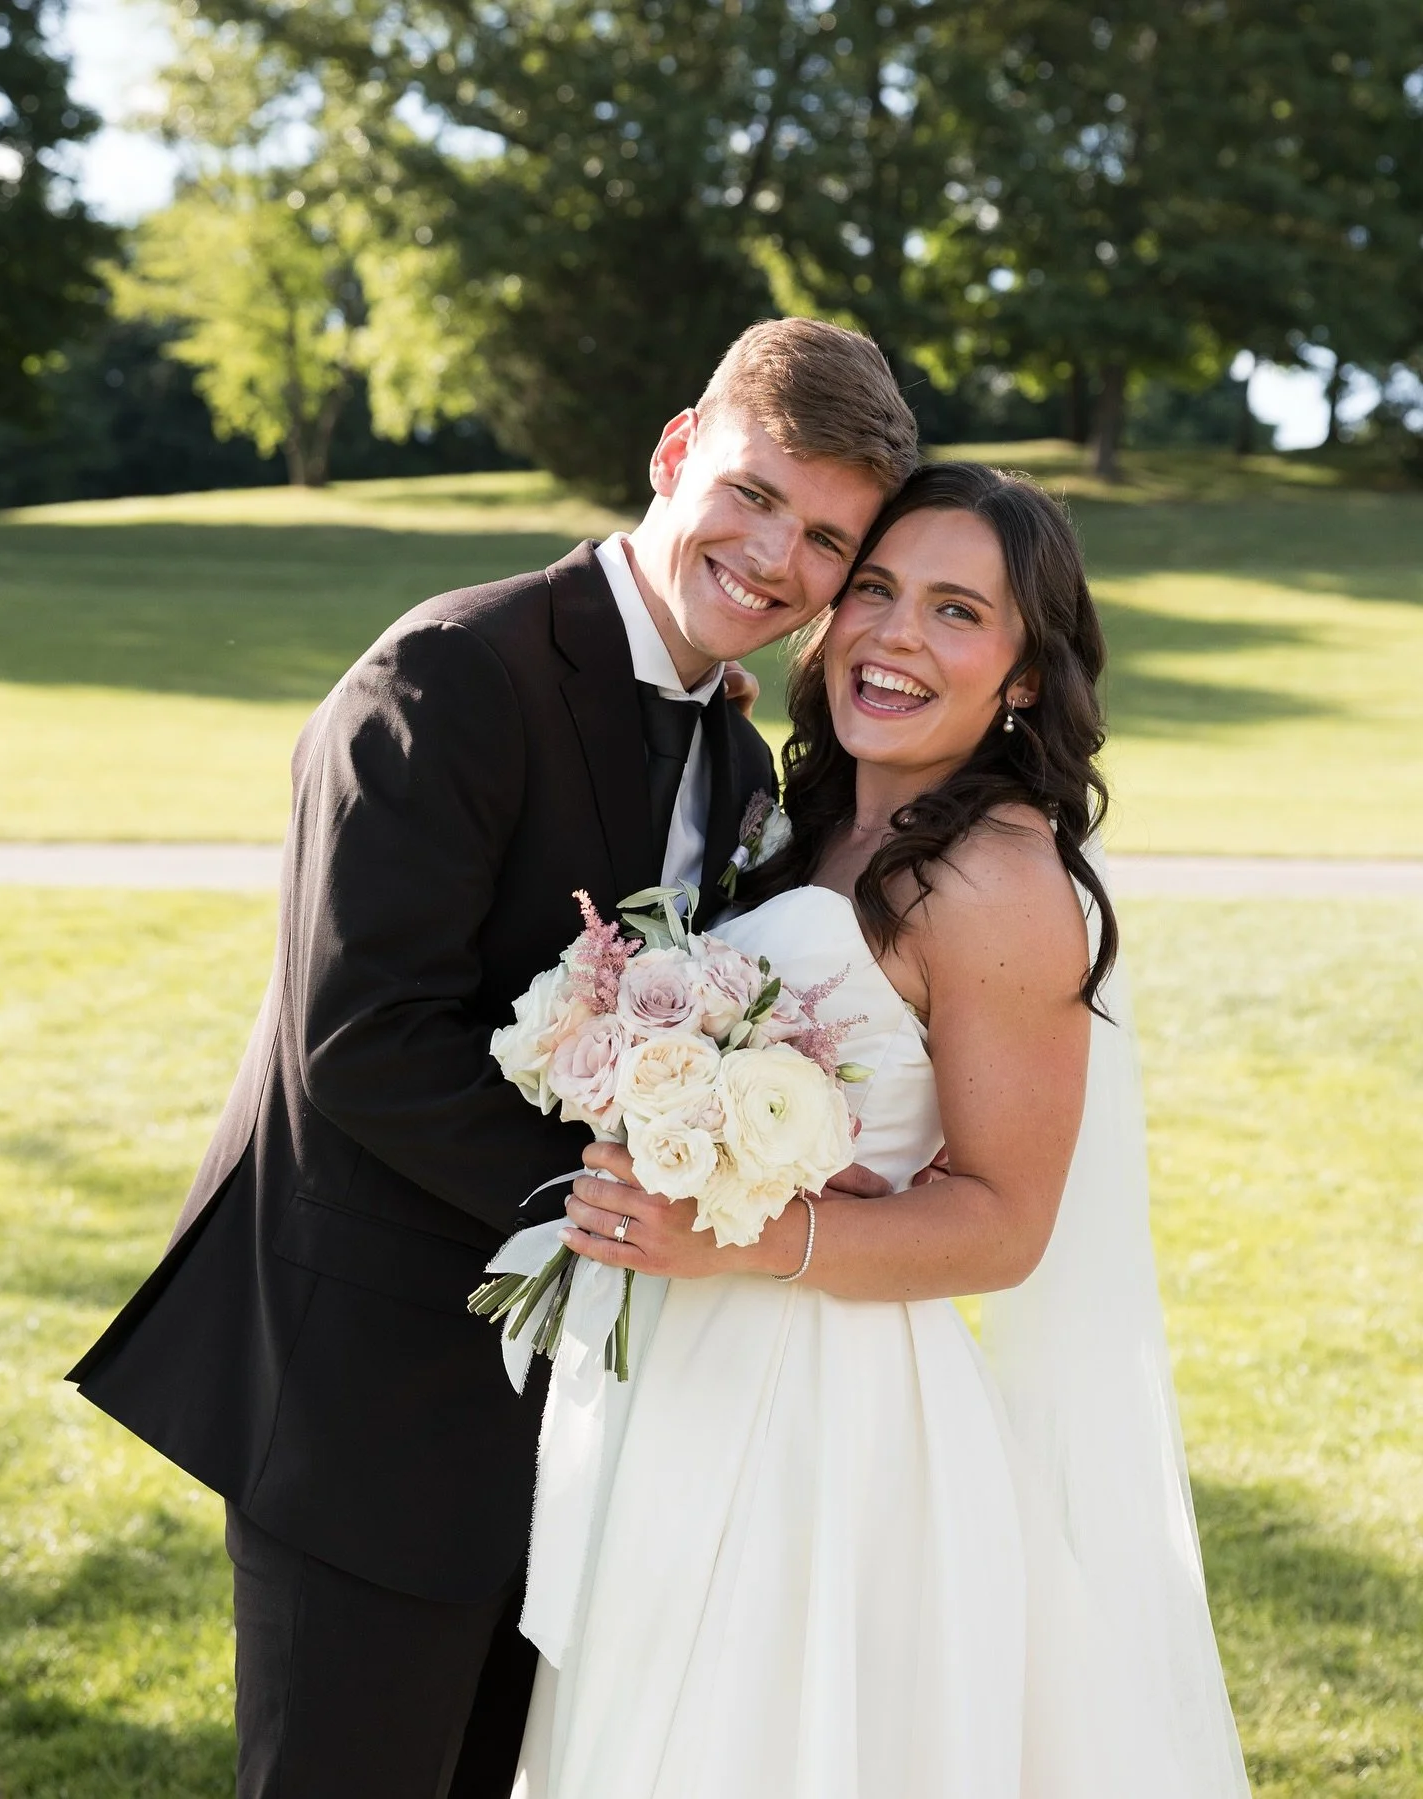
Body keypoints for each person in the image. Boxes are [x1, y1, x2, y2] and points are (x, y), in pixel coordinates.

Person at [66, 318, 919, 1799]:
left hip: (575, 1424)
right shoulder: (451, 671)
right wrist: (634, 1208)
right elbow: (362, 1038)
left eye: (829, 539)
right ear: (674, 455)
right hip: (371, 1402)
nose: (779, 557)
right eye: (756, 494)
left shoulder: (731, 752)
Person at [516, 462, 1253, 1797]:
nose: (896, 634)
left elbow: (1004, 1221)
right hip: (683, 1365)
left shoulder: (996, 879)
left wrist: (740, 1231)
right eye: (875, 590)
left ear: (1025, 677)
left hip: (825, 1417)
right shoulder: (802, 823)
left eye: (958, 612)